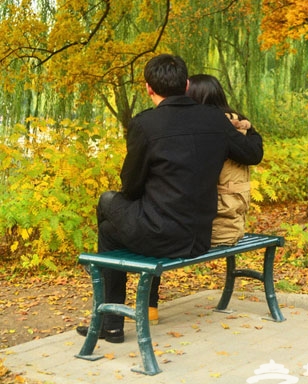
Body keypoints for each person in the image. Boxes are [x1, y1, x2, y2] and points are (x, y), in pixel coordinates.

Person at [77, 54, 263, 343]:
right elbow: (253, 153)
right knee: (108, 231)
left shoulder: (145, 124)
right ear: (186, 84)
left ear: (149, 89)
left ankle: (110, 320)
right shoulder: (215, 119)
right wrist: (248, 127)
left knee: (107, 203)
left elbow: (131, 186)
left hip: (161, 236)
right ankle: (111, 310)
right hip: (199, 238)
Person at [186, 74, 253, 247]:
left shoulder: (209, 127)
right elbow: (255, 154)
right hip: (234, 222)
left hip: (214, 230)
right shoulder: (238, 121)